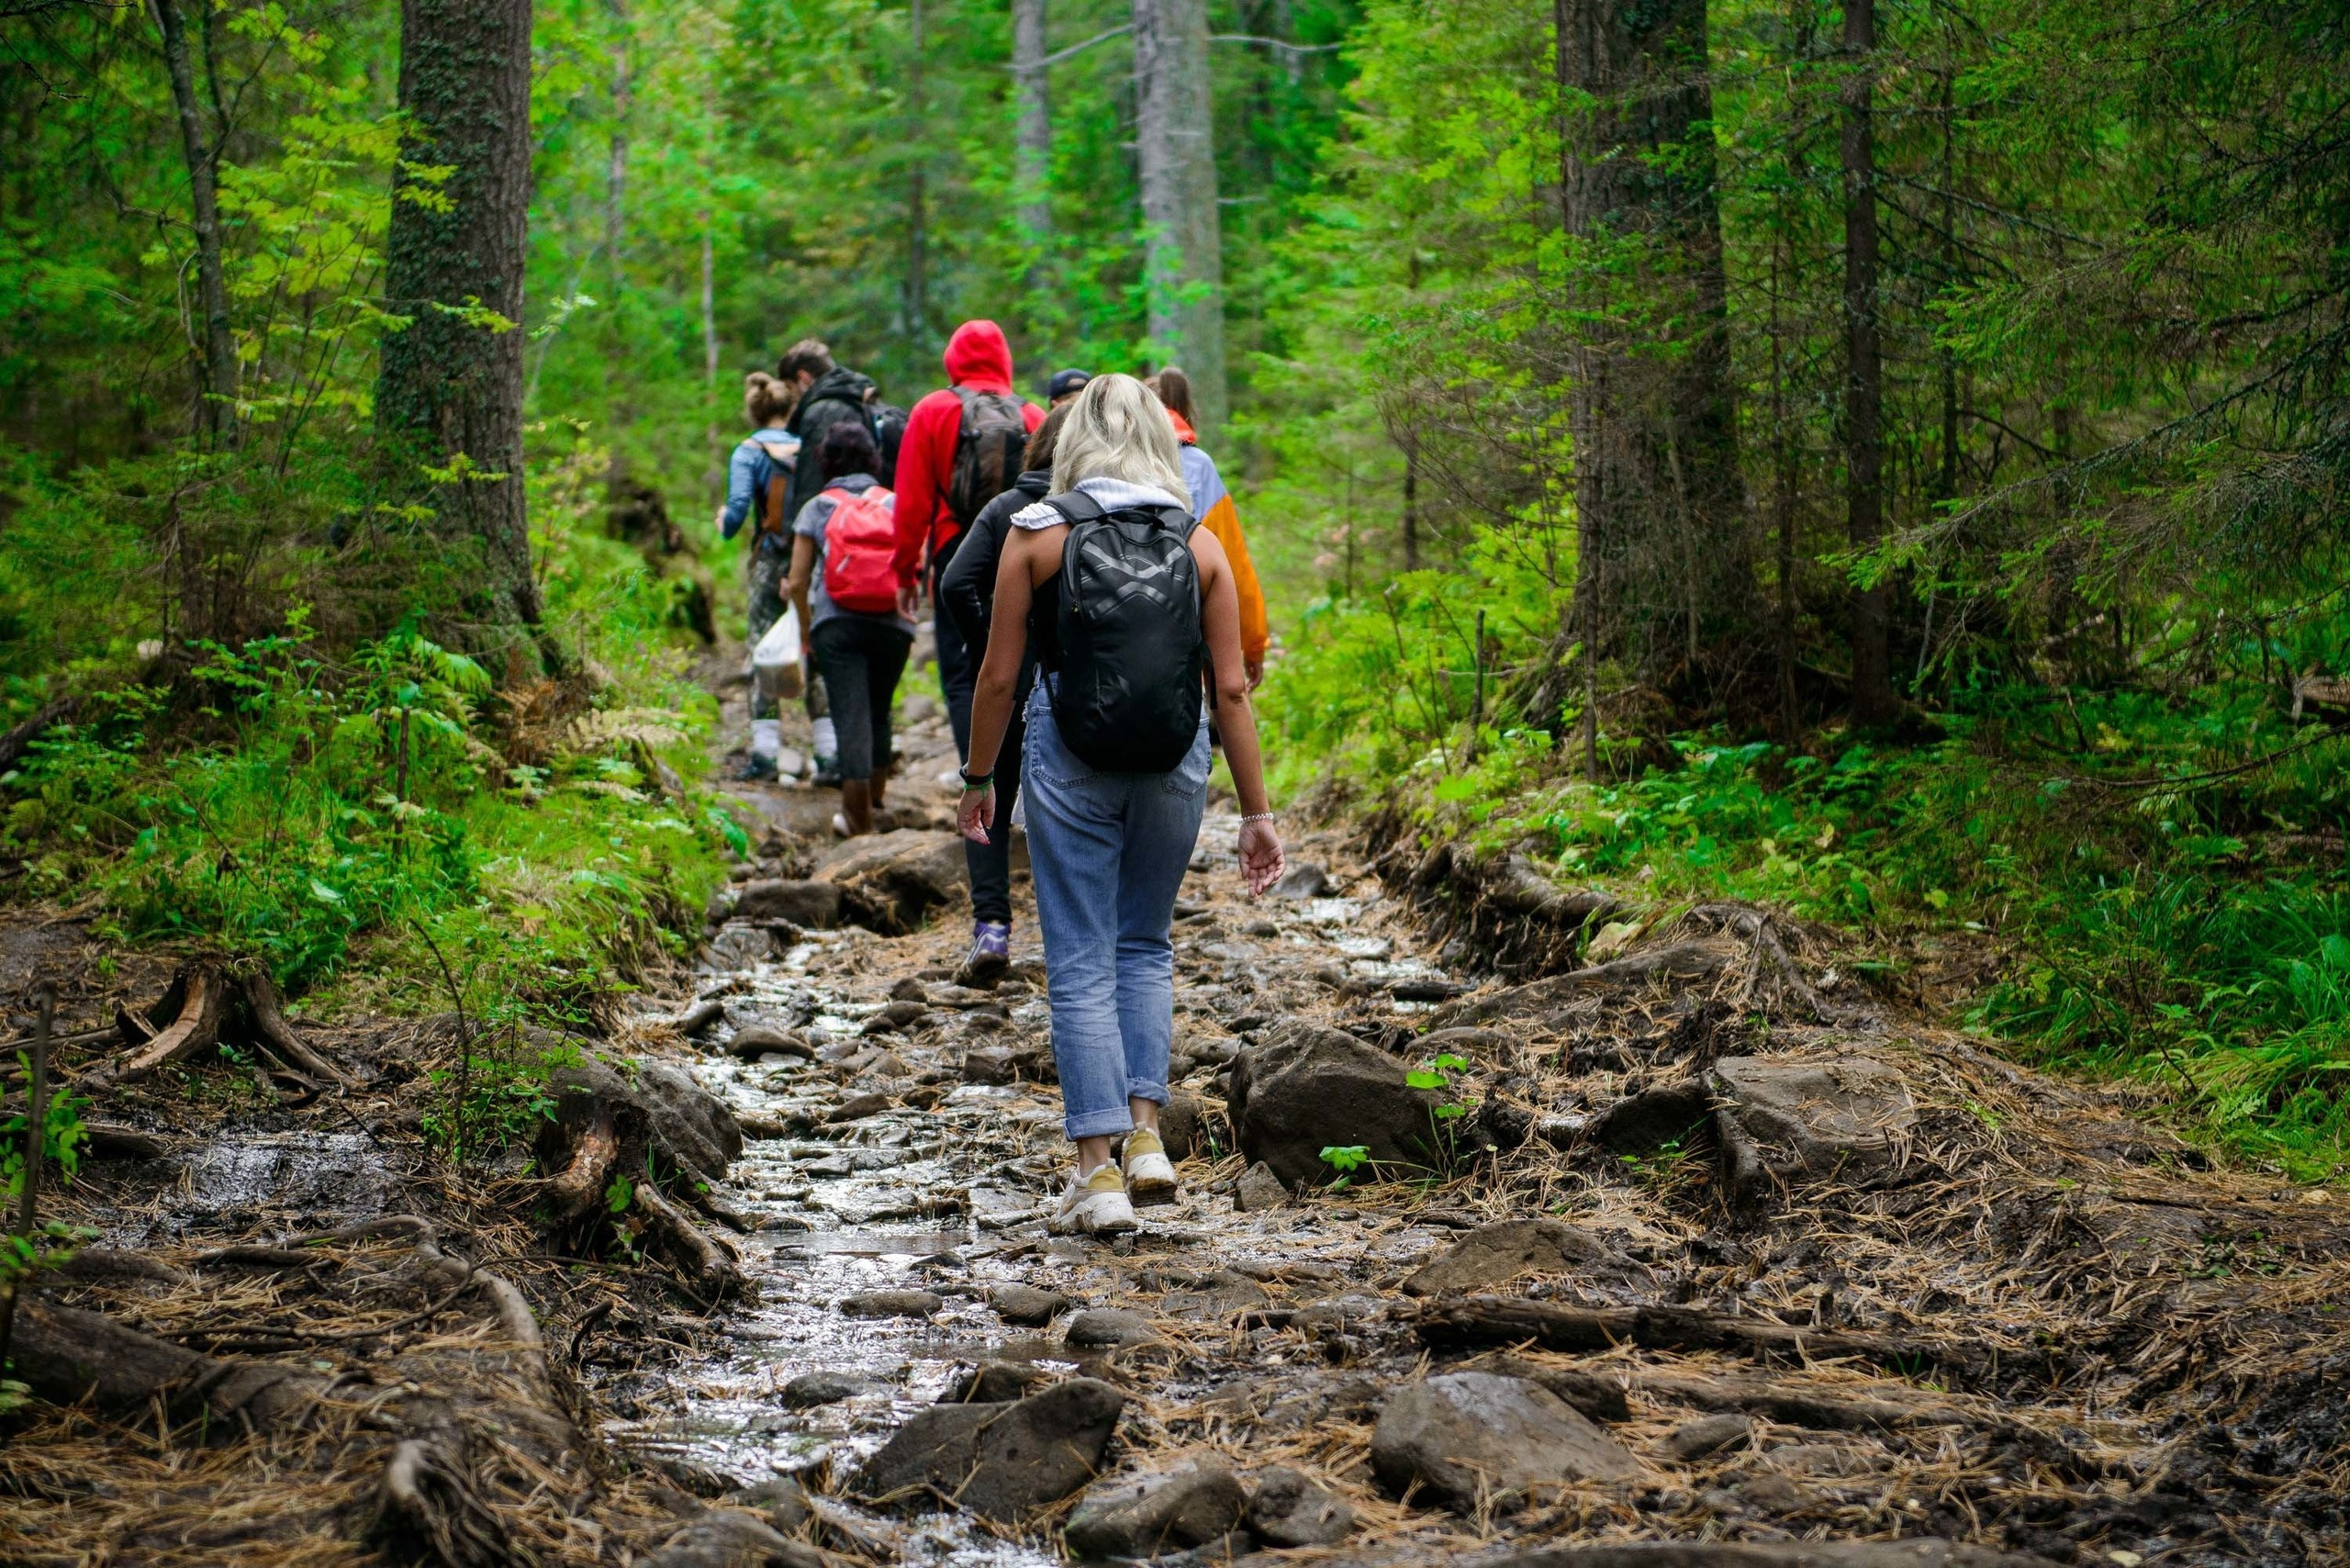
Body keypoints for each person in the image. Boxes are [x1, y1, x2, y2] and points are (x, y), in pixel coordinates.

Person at [957, 375, 1285, 1236]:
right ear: (1161, 443)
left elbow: (998, 675)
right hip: (1174, 763)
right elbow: (1232, 692)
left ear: (1071, 444)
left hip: (1069, 759)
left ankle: (1096, 1175)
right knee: (1145, 946)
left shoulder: (1034, 536)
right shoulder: (1199, 543)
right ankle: (1147, 1140)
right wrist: (1257, 814)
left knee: (1078, 959)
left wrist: (978, 778)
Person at [937, 402, 1068, 985]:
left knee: (985, 791)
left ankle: (992, 928)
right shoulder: (1086, 516)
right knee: (1065, 809)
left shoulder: (1004, 510)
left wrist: (992, 644)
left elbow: (955, 582)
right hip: (1072, 692)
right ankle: (1073, 936)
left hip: (1008, 686)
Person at [890, 322, 1045, 789]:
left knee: (963, 674)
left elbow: (912, 502)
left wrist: (905, 573)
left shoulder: (933, 410)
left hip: (956, 552)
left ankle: (979, 779)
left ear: (952, 360)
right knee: (1022, 664)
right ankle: (1022, 784)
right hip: (1025, 548)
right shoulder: (1033, 416)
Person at [786, 420, 915, 837]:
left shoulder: (816, 507)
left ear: (826, 460)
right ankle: (875, 800)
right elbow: (917, 561)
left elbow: (798, 580)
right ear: (873, 458)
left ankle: (857, 822)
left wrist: (806, 630)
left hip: (836, 623)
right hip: (893, 623)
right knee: (879, 708)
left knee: (849, 714)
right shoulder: (895, 502)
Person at [1147, 368, 1270, 690]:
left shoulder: (1108, 464)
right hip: (1183, 625)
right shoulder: (1198, 465)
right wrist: (1253, 643)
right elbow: (1232, 564)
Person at [717, 372, 802, 780]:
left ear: (755, 410)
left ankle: (766, 756)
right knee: (814, 652)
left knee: (763, 650)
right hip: (809, 560)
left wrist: (723, 522)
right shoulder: (811, 446)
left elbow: (734, 515)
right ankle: (831, 753)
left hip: (769, 561)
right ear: (789, 408)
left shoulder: (747, 451)